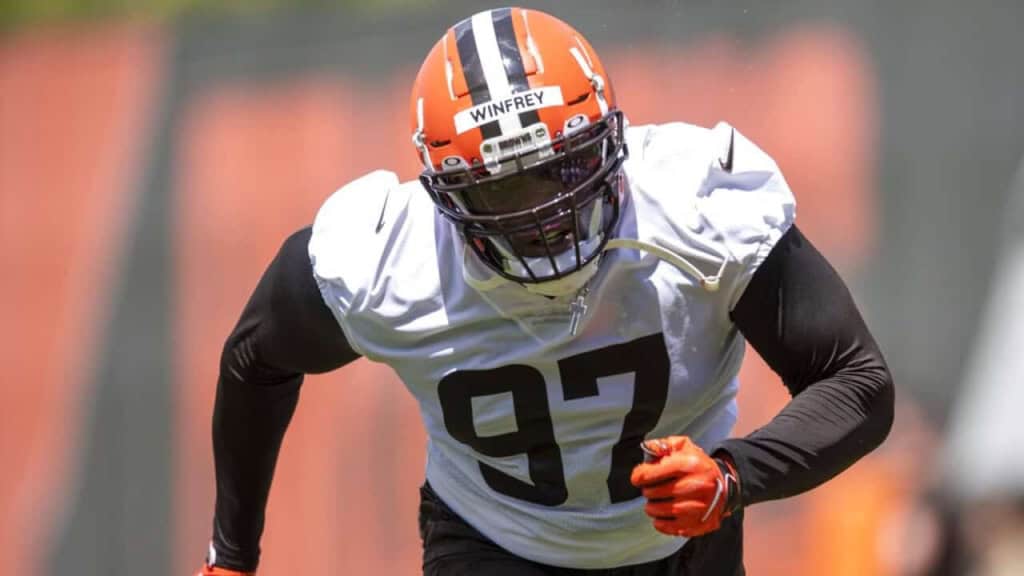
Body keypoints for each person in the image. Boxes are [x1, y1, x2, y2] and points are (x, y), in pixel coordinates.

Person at [196, 7, 894, 575]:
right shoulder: (387, 259)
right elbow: (257, 360)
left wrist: (731, 476)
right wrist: (231, 555)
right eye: (500, 188)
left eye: (562, 170)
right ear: (443, 195)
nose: (545, 217)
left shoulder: (694, 205)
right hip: (495, 542)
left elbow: (857, 381)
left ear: (610, 136)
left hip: (685, 545)